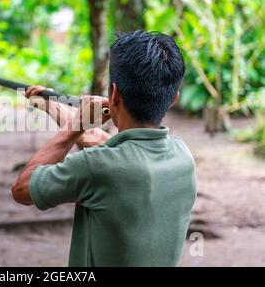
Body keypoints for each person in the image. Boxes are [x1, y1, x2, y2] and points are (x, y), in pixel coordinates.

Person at [11, 30, 196, 266]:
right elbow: (103, 142)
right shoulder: (183, 155)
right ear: (173, 98)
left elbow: (22, 189)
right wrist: (51, 106)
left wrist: (76, 126)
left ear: (115, 93)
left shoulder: (98, 166)